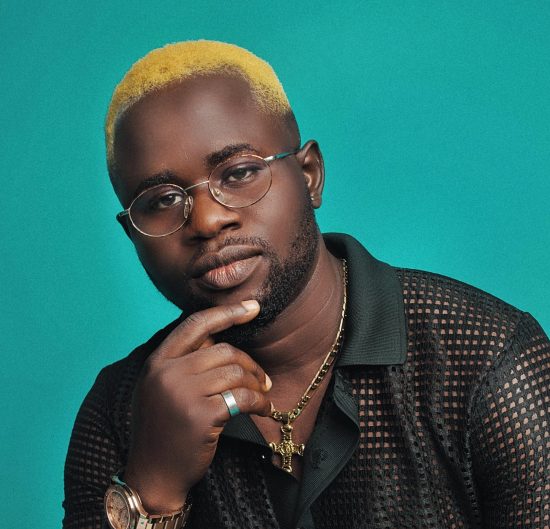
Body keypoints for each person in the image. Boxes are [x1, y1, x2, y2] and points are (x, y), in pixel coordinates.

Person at [63, 40, 549, 529]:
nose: (207, 221)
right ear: (133, 234)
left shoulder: (488, 362)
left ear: (309, 175)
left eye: (239, 172)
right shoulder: (119, 411)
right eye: (161, 200)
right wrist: (152, 492)